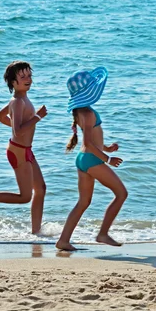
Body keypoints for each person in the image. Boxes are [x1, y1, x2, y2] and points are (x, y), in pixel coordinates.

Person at [0, 61, 48, 235]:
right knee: (25, 197)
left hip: (26, 150)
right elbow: (18, 131)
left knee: (41, 189)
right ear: (13, 82)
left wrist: (24, 121)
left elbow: (0, 116)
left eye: (29, 75)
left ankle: (36, 232)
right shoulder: (18, 102)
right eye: (23, 77)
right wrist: (38, 117)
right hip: (18, 151)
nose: (28, 79)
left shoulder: (21, 98)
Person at [55, 67, 127, 251]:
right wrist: (107, 158)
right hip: (91, 160)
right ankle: (103, 234)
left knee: (83, 202)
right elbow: (87, 143)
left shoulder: (82, 112)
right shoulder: (87, 113)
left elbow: (92, 141)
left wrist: (106, 147)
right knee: (121, 193)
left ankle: (63, 240)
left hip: (83, 159)